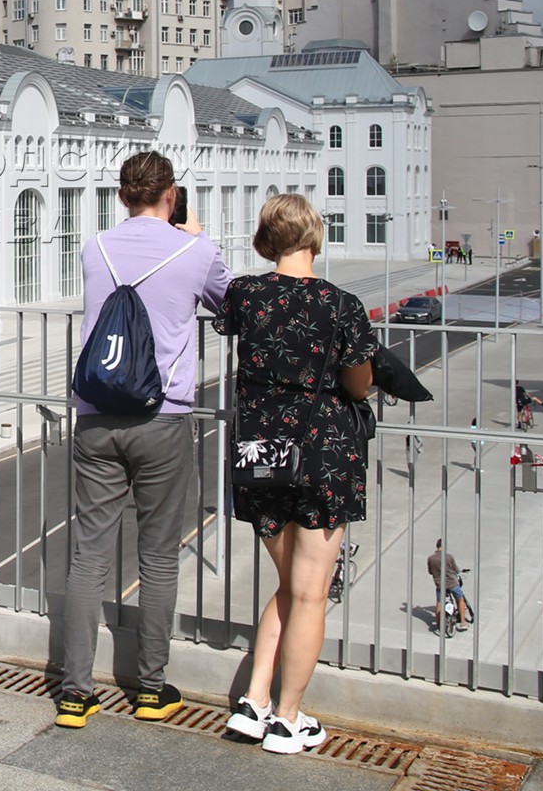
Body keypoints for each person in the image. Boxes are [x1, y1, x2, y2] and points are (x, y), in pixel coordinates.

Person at [55, 152, 231, 729]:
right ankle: (151, 689)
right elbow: (230, 304)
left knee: (90, 555)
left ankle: (76, 694)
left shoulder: (95, 246)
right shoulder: (196, 251)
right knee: (157, 556)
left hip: (97, 416)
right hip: (163, 418)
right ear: (171, 194)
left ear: (123, 194)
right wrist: (200, 239)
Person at [216, 193, 376, 756]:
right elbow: (358, 384)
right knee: (310, 595)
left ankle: (254, 702)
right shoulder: (342, 305)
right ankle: (288, 719)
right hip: (321, 453)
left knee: (289, 585)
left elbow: (224, 309)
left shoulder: (245, 295)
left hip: (260, 451)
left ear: (266, 240)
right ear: (315, 236)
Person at [428, 540, 473, 629]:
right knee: (460, 599)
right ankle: (463, 622)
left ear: (436, 546)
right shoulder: (449, 557)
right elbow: (456, 570)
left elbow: (430, 572)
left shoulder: (430, 558)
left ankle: (438, 625)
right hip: (452, 583)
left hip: (440, 584)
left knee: (439, 603)